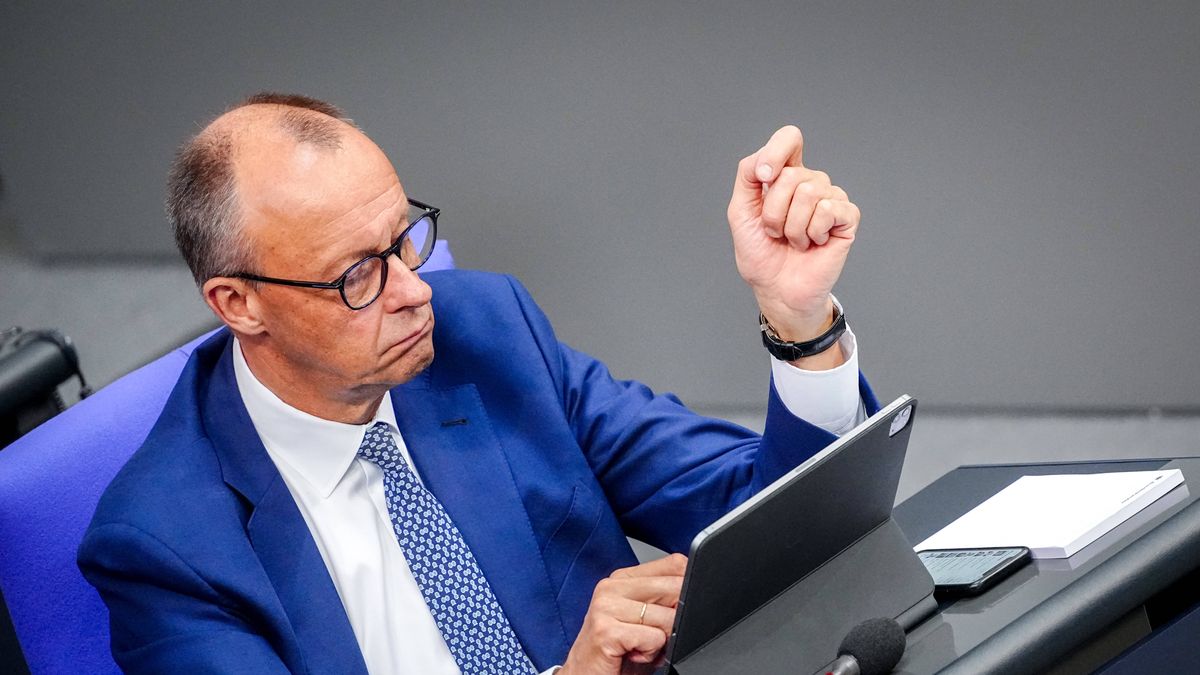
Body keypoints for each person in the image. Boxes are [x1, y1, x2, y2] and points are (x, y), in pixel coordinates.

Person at [78, 92, 874, 675]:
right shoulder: (164, 546)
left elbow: (769, 518)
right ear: (238, 303)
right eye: (358, 274)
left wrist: (797, 314)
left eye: (404, 237)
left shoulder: (485, 333)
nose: (415, 289)